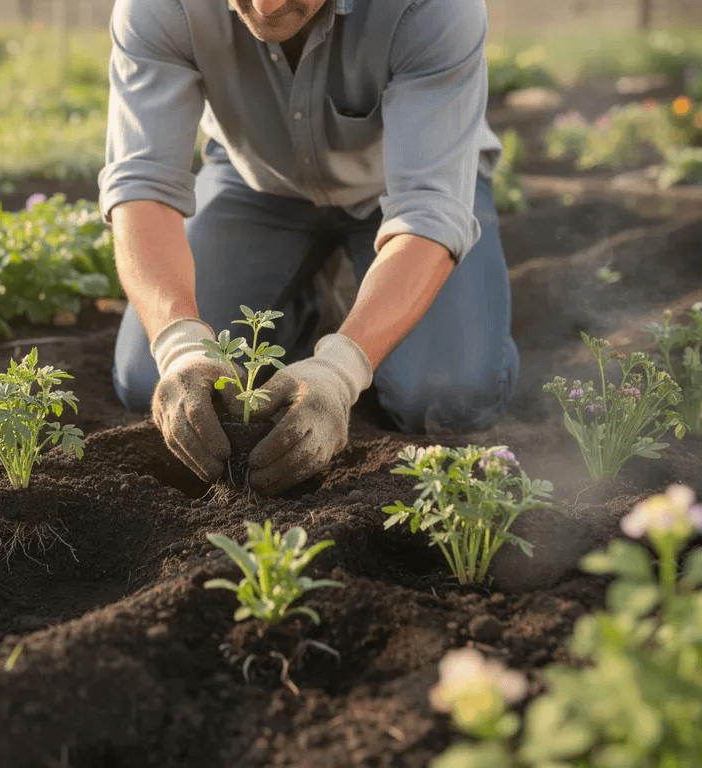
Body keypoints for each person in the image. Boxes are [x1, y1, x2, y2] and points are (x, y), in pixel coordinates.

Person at [98, 0, 519, 495]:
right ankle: (308, 305)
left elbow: (429, 210)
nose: (267, 5)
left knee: (448, 396)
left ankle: (367, 319)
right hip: (258, 183)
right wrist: (180, 347)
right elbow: (142, 186)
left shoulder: (431, 6)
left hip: (403, 191)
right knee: (150, 376)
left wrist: (341, 370)